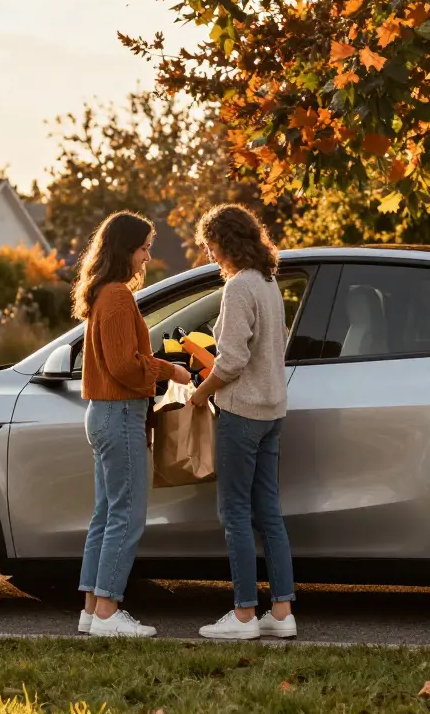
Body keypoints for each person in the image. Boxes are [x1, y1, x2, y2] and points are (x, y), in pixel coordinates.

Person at [72, 211, 191, 638]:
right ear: (126, 250)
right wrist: (168, 370)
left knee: (106, 514)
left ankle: (92, 608)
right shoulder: (118, 297)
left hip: (102, 413)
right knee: (127, 515)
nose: (147, 256)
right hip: (120, 412)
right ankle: (108, 612)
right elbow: (125, 365)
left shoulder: (102, 295)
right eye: (143, 248)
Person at [188, 204, 298, 640]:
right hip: (273, 410)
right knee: (268, 513)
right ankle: (283, 612)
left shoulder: (238, 288)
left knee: (233, 512)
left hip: (242, 413)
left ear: (226, 242)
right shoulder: (269, 283)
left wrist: (200, 391)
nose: (211, 254)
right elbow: (277, 345)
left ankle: (244, 616)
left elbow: (231, 361)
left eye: (211, 245)